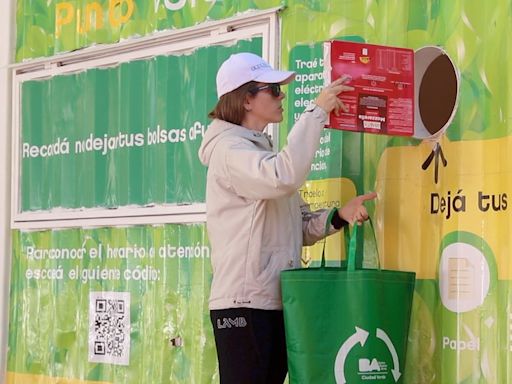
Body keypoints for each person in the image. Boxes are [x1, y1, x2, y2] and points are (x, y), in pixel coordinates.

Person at [198, 52, 377, 384]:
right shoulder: (230, 152)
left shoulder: (258, 152)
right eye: (274, 89)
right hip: (244, 304)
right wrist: (317, 112)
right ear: (247, 98)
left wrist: (340, 216)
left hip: (273, 300)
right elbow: (285, 174)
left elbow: (300, 227)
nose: (283, 96)